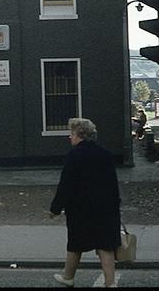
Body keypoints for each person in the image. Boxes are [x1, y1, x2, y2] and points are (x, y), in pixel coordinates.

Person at [50, 118, 121, 288]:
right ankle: (110, 283)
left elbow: (66, 185)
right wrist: (115, 205)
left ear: (79, 135)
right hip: (105, 208)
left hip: (81, 209)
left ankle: (68, 277)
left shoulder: (74, 156)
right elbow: (113, 183)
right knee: (106, 246)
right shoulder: (105, 154)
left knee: (76, 244)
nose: (69, 137)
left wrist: (55, 209)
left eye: (71, 133)